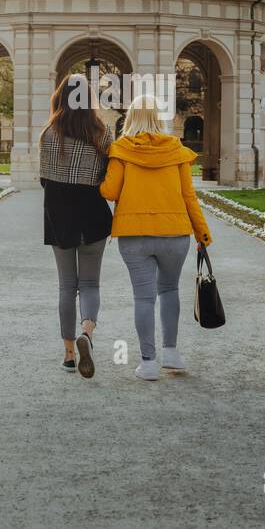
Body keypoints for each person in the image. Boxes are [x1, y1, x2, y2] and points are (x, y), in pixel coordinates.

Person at [100, 93, 213, 381]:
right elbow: (189, 196)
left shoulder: (121, 149)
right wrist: (202, 232)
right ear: (158, 119)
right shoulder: (176, 151)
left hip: (134, 234)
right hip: (174, 233)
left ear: (131, 118)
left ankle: (148, 362)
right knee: (170, 290)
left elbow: (110, 192)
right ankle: (171, 352)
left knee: (144, 297)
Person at [40, 74, 113, 378]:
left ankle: (70, 353)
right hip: (93, 214)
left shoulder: (48, 134)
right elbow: (108, 181)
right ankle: (87, 332)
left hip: (60, 214)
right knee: (91, 284)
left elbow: (44, 179)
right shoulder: (103, 133)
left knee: (66, 286)